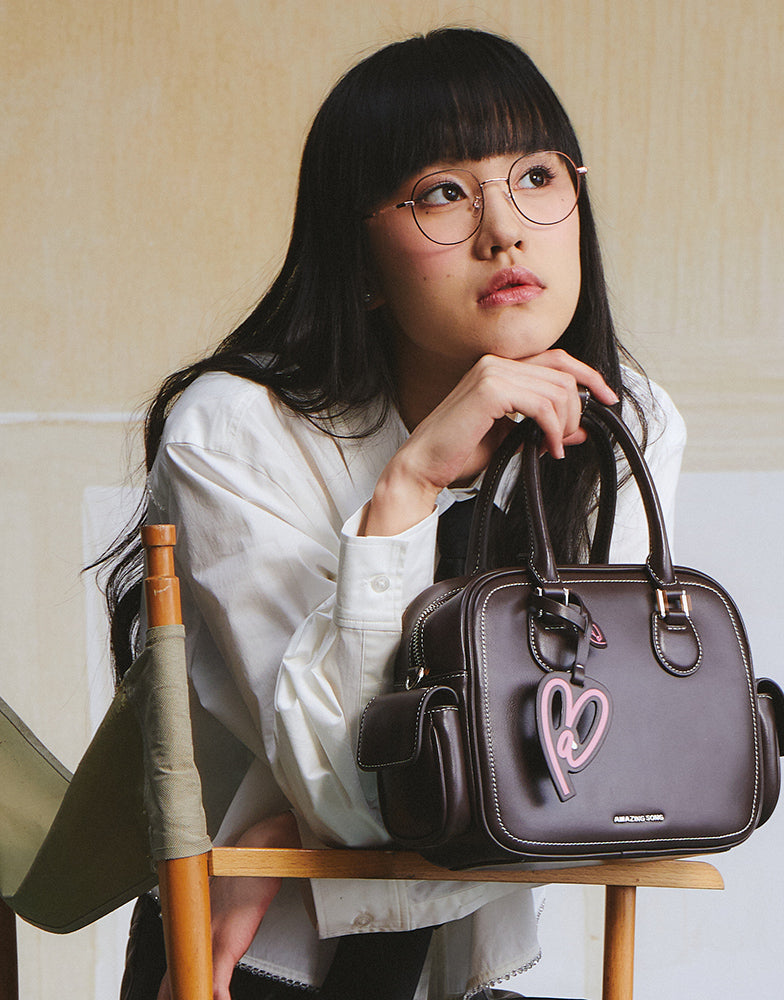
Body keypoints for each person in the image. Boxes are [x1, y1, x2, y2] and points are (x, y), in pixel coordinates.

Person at [101, 27, 686, 1000]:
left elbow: (585, 765)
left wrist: (287, 822)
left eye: (537, 176)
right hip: (253, 963)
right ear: (360, 256)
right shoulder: (238, 432)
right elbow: (353, 797)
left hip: (459, 960)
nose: (505, 230)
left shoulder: (627, 423)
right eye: (442, 192)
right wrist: (408, 487)